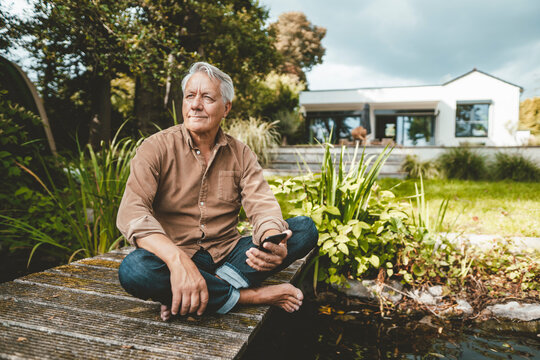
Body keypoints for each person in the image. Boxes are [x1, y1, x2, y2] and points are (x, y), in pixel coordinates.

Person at [116, 62, 318, 321]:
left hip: (229, 255)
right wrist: (178, 262)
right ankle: (249, 296)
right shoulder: (155, 148)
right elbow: (132, 212)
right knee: (135, 269)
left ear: (226, 107)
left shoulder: (241, 153)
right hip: (176, 254)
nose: (195, 105)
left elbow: (262, 204)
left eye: (207, 98)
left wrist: (271, 239)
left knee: (304, 229)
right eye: (189, 96)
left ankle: (196, 294)